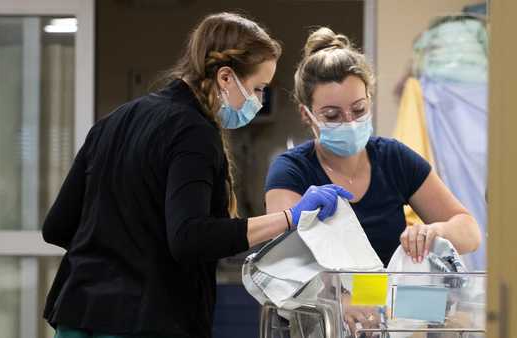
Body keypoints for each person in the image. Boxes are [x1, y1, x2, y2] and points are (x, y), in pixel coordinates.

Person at [42, 13, 352, 338]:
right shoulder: (193, 132)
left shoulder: (114, 120)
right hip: (144, 322)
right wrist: (291, 217)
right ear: (226, 77)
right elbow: (190, 237)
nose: (260, 102)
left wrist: (116, 253)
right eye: (258, 88)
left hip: (76, 315)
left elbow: (57, 227)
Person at [264, 27, 482, 333]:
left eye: (358, 109)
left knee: (465, 314)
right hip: (320, 317)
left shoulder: (394, 159)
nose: (349, 123)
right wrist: (340, 295)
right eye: (332, 115)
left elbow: (470, 232)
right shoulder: (291, 171)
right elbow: (286, 261)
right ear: (306, 114)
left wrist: (433, 232)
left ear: (369, 100)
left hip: (386, 307)